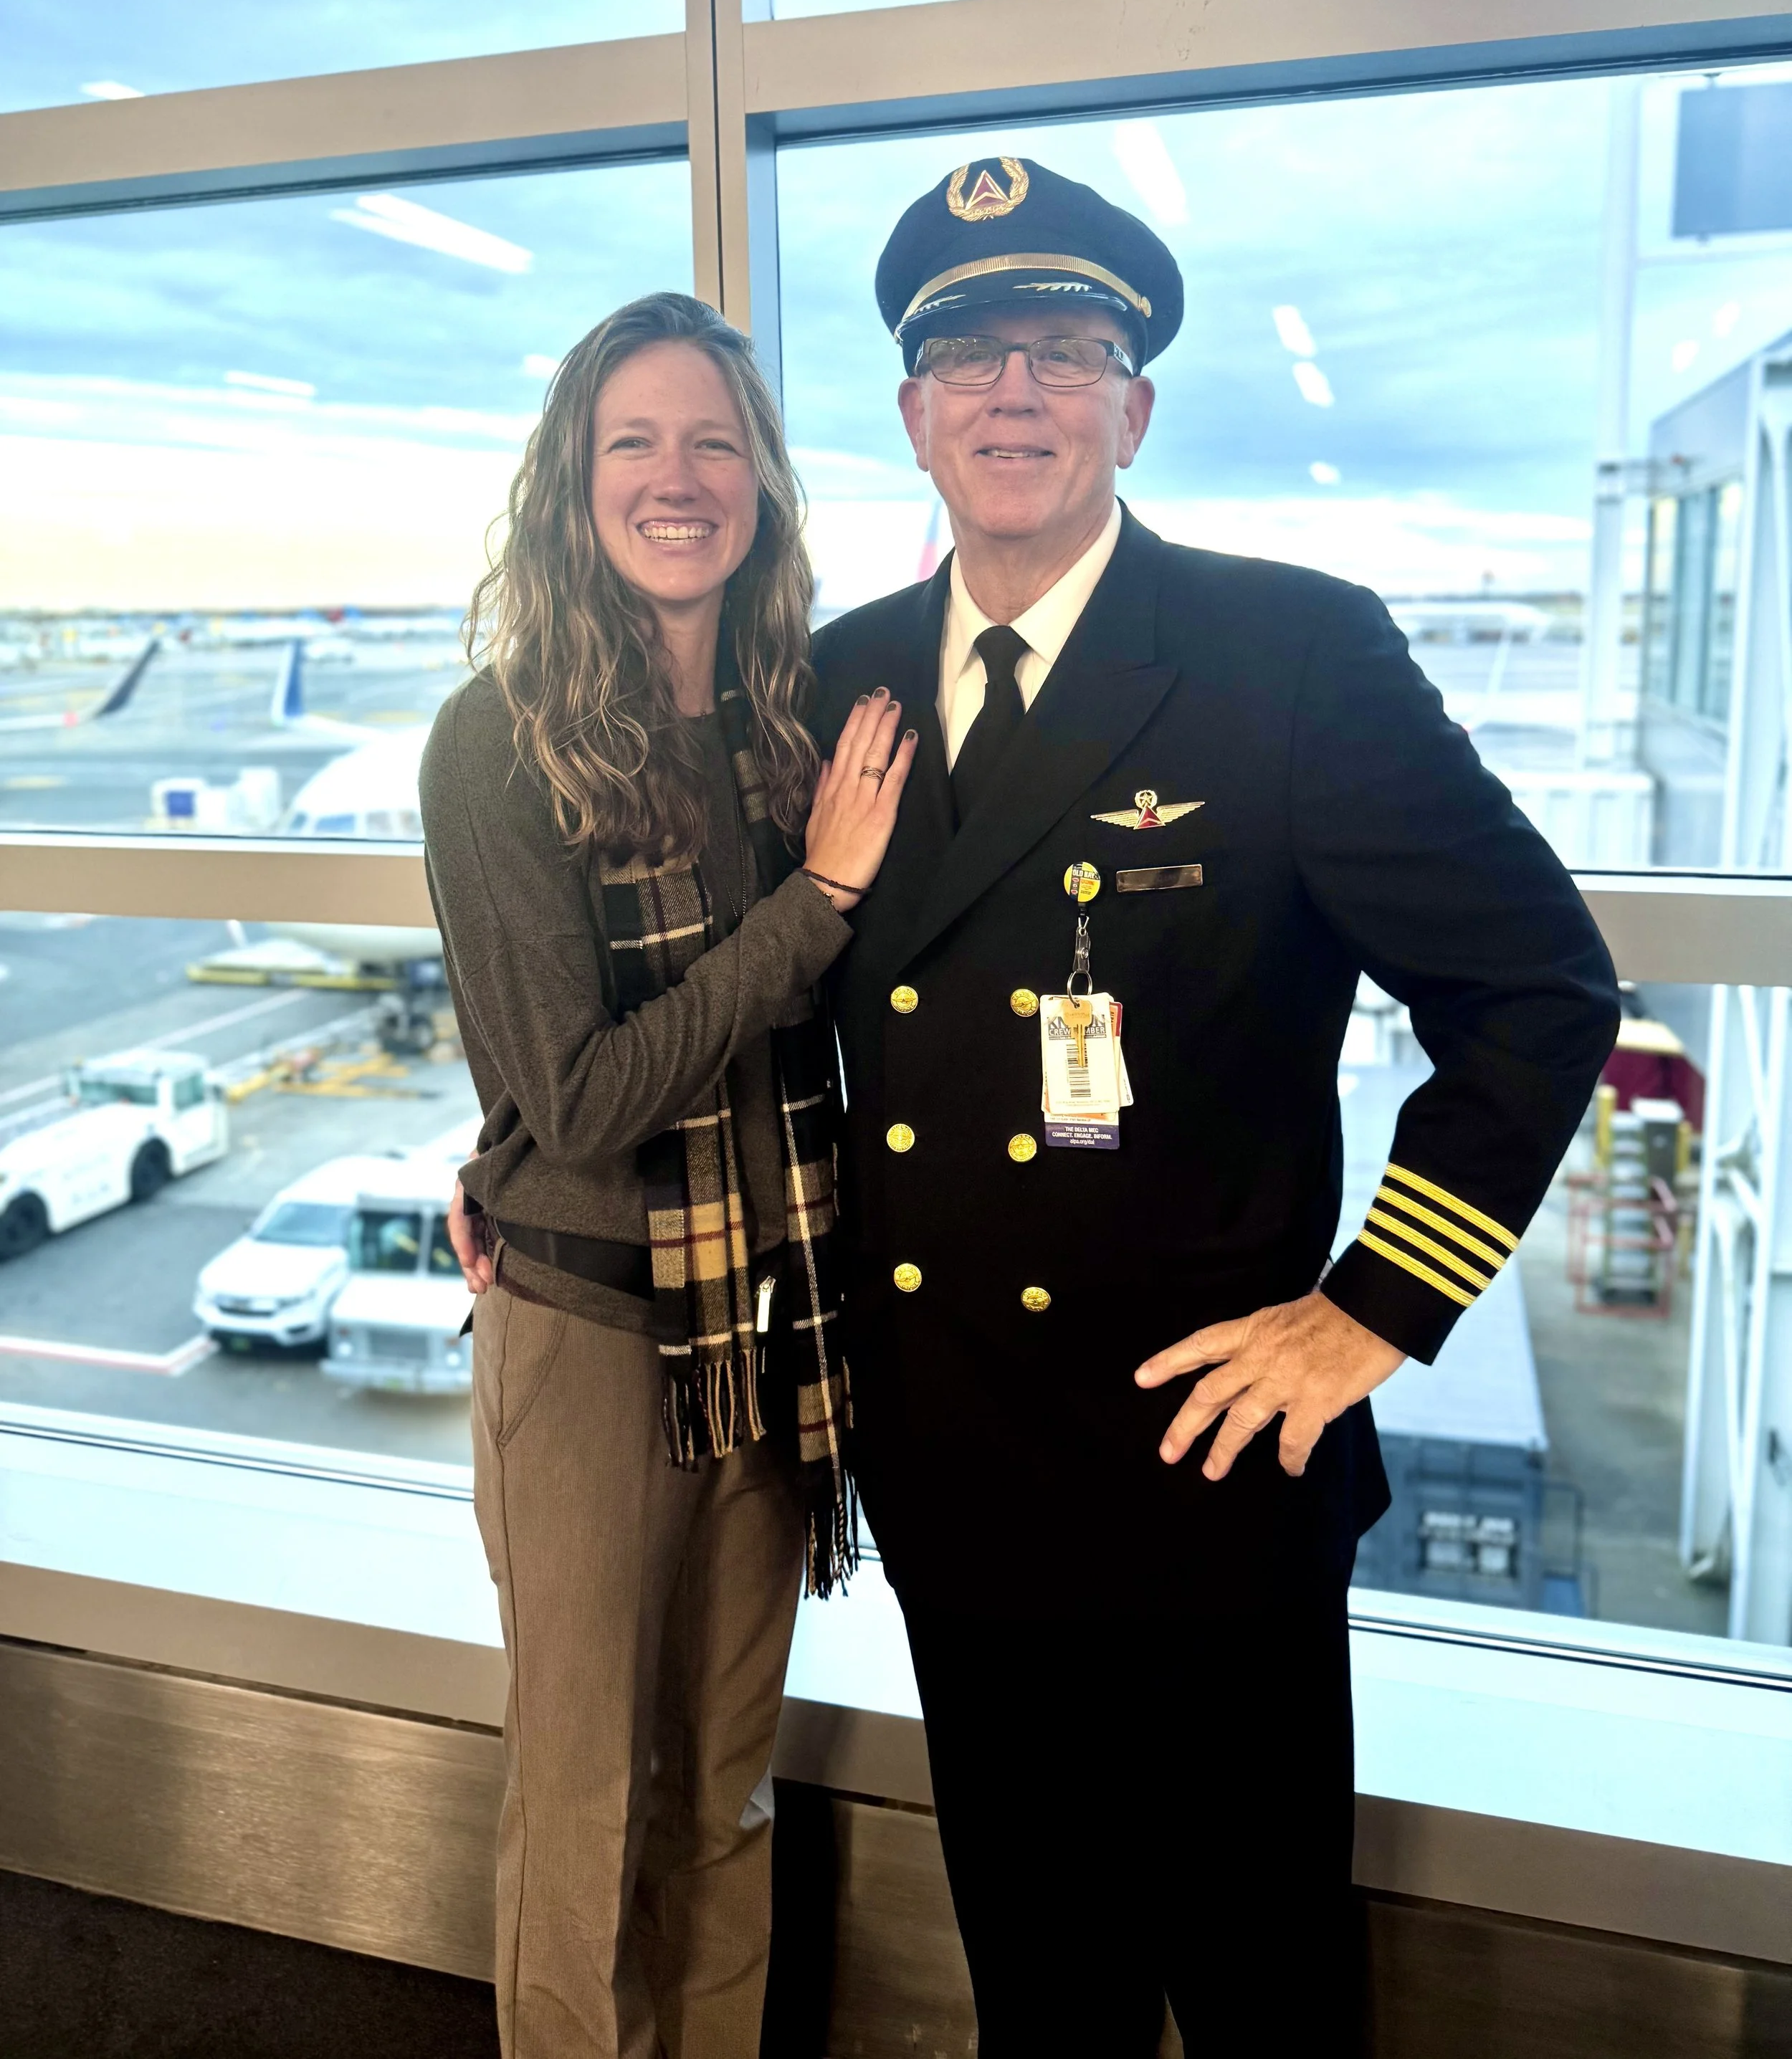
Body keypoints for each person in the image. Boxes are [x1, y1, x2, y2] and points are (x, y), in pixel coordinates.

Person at [807, 158, 1621, 2056]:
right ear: (914, 411)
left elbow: (1533, 990)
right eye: (970, 355)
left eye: (1066, 351)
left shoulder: (1287, 655)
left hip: (1199, 1469)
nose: (1017, 392)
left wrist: (1374, 1309)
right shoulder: (836, 674)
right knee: (1038, 1975)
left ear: (1133, 406)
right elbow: (774, 996)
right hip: (951, 1457)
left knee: (1256, 1986)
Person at [420, 291, 915, 2059]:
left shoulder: (794, 730)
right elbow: (576, 1094)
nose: (676, 475)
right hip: (586, 1342)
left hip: (767, 1338)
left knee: (723, 1796)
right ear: (571, 482)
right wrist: (817, 905)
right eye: (631, 439)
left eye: (712, 438)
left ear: (763, 483)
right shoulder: (503, 740)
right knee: (582, 1812)